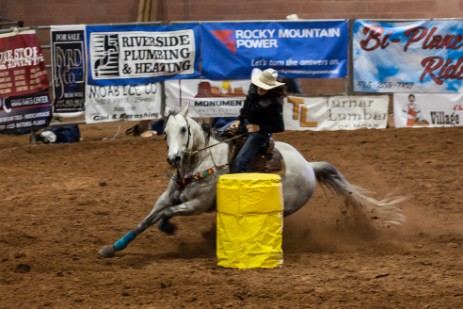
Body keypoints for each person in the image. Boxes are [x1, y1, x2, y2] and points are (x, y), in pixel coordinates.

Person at [228, 68, 287, 173]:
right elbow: (245, 109)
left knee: (239, 163)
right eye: (260, 85)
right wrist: (238, 120)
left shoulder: (274, 103)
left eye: (264, 87)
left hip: (259, 135)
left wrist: (259, 127)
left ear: (271, 88)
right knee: (217, 136)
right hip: (244, 124)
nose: (261, 88)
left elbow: (279, 127)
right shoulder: (253, 90)